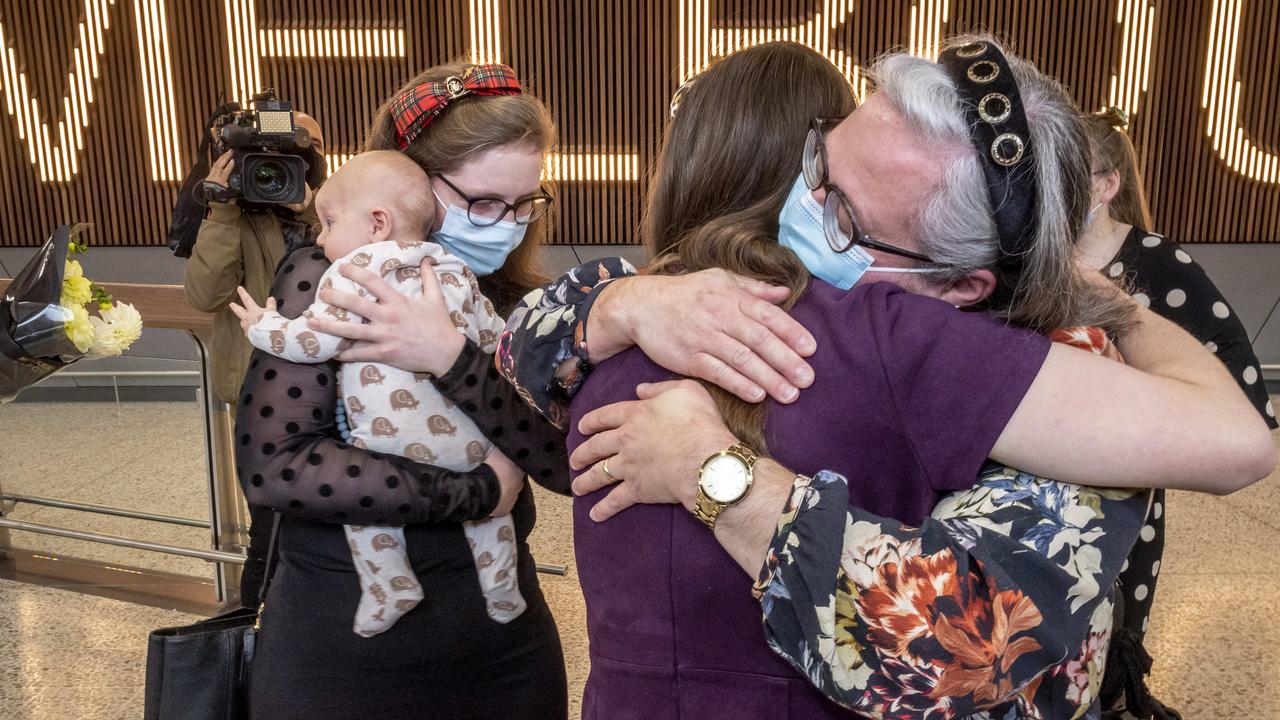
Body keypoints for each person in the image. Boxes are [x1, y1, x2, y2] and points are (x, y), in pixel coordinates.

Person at [498, 37, 1275, 718]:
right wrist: (624, 302)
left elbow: (972, 643)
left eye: (841, 216)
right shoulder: (671, 301)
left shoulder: (962, 353)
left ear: (962, 283)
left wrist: (714, 473)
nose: (801, 206)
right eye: (817, 163)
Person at [233, 62, 570, 719]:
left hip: (504, 648)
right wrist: (473, 493)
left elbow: (562, 459)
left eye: (525, 202)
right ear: (410, 183)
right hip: (344, 650)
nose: (505, 224)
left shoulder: (502, 292)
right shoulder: (330, 270)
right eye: (481, 203)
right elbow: (275, 464)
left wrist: (451, 357)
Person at [230, 150, 526, 638]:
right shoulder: (451, 267)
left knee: (369, 519)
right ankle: (501, 588)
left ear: (376, 224)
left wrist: (264, 326)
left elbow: (314, 339)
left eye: (327, 221)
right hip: (470, 442)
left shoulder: (354, 272)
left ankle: (390, 586)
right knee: (493, 526)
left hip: (392, 444)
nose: (319, 237)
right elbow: (498, 342)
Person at [1079, 106, 1278, 719]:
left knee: (1107, 662)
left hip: (1122, 513)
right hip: (1017, 507)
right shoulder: (1017, 261)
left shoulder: (1162, 268)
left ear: (1106, 185)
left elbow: (1245, 405)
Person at [183, 110, 325, 607]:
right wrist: (220, 211)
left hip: (333, 388)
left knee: (327, 523)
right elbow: (206, 295)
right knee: (270, 533)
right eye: (262, 160)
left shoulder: (330, 214)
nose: (276, 170)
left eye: (295, 157)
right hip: (261, 395)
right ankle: (254, 634)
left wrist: (315, 213)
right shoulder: (230, 218)